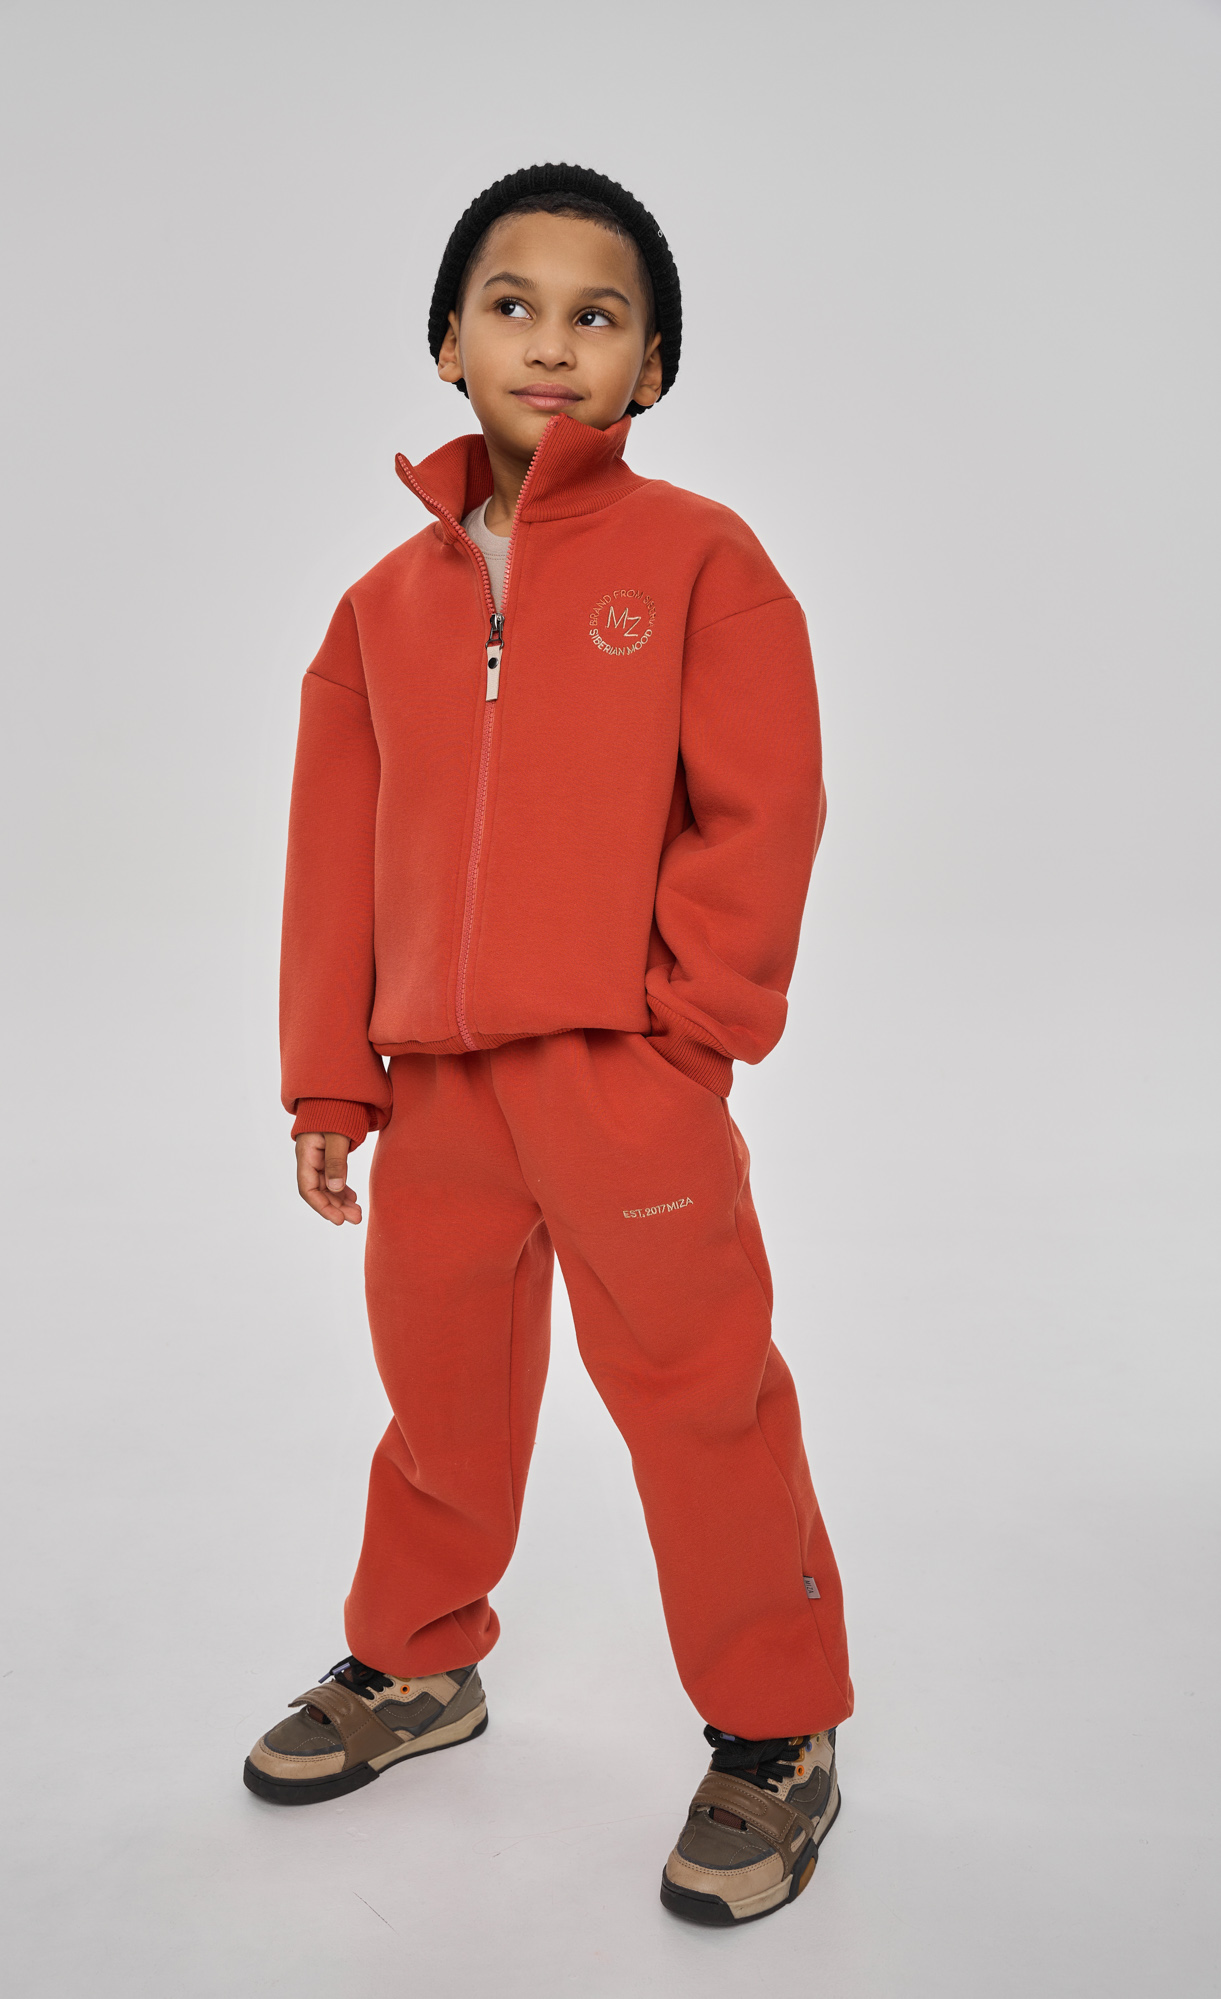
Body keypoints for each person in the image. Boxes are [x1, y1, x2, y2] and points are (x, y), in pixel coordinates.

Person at [243, 162, 852, 1928]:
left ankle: (777, 1734)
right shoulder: (379, 609)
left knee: (699, 1402)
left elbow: (762, 809)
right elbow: (332, 857)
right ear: (447, 340)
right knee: (440, 1400)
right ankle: (418, 1660)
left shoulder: (702, 561)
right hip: (437, 1090)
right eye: (512, 305)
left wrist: (693, 1035)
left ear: (651, 366)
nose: (552, 343)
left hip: (621, 1075)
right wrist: (329, 1078)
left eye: (599, 316)